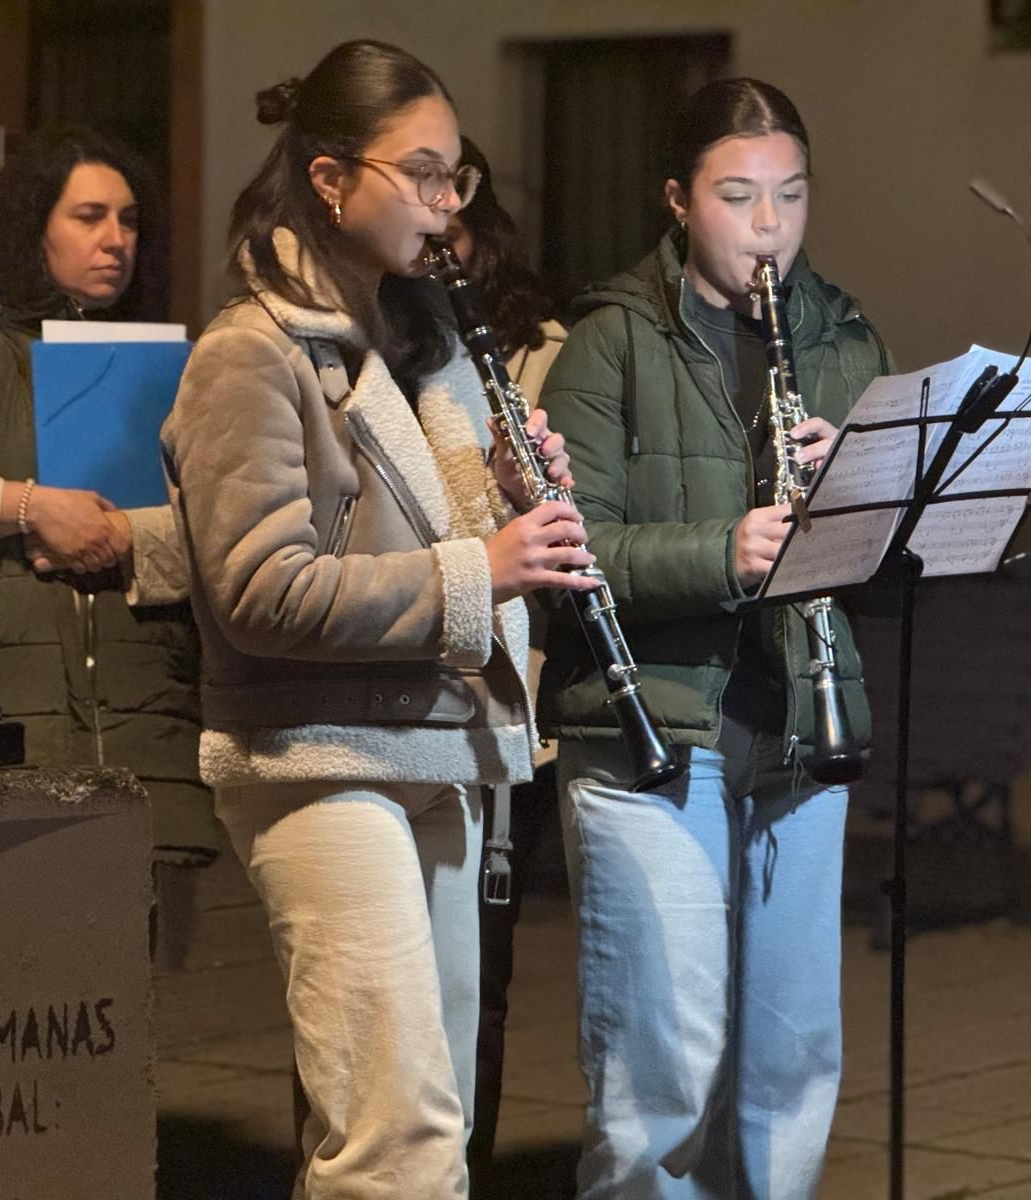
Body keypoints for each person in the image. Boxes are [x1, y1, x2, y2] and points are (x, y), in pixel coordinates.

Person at [158, 40, 594, 1197]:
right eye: (425, 174)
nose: (448, 208)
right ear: (331, 177)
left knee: (431, 1126)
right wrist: (480, 569)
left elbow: (417, 533)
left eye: (458, 180)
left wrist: (502, 492)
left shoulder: (421, 352)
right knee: (388, 1134)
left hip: (432, 746)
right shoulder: (246, 356)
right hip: (313, 762)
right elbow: (259, 591)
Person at [537, 77, 890, 1197]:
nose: (768, 226)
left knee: (793, 1054)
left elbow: (880, 568)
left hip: (800, 722)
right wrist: (725, 554)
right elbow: (572, 552)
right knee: (664, 1063)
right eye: (738, 197)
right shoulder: (609, 343)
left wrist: (859, 502)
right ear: (678, 202)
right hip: (653, 730)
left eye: (789, 196)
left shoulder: (839, 335)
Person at [0, 125, 221, 969]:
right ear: (34, 224)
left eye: (129, 218)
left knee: (129, 1011)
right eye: (89, 216)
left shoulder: (157, 362)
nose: (116, 238)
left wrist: (125, 536)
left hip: (143, 726)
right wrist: (29, 506)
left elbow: (217, 534)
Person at [440, 136, 568, 1188]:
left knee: (481, 973)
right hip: (402, 690)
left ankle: (469, 1166)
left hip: (506, 702)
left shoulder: (536, 351)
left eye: (456, 220)